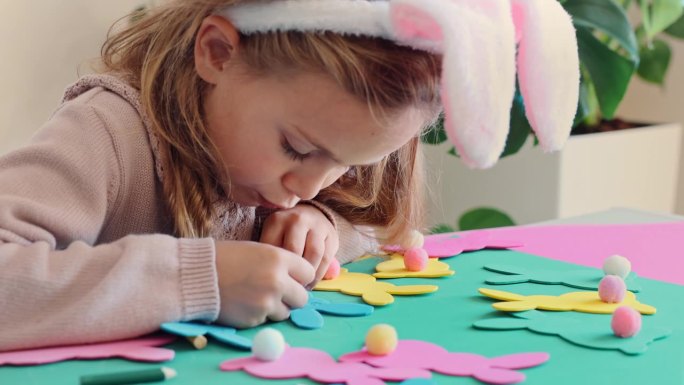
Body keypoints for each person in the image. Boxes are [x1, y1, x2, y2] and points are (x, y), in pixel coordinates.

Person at [0, 0, 579, 352]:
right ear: (218, 53)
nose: (311, 184)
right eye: (297, 148)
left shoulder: (322, 164)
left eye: (349, 165)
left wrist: (325, 227)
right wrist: (192, 283)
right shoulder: (107, 133)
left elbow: (381, 233)